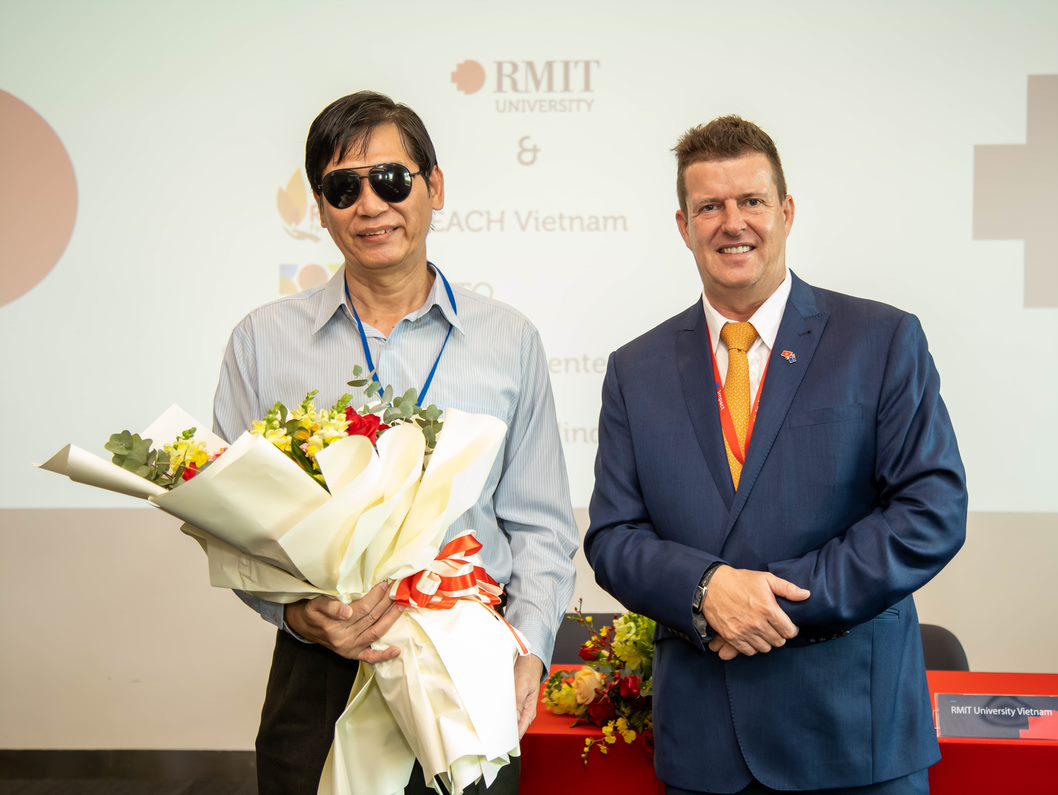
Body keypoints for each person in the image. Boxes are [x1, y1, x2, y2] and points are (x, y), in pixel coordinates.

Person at [585, 115, 967, 794]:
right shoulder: (634, 369)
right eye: (710, 206)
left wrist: (770, 599)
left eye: (752, 201)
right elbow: (614, 537)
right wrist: (706, 590)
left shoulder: (880, 340)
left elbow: (929, 512)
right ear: (683, 226)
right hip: (706, 747)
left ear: (785, 213)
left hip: (855, 739)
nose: (732, 223)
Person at [213, 90, 578, 794]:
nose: (370, 206)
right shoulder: (261, 342)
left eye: (390, 180)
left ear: (434, 186)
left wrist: (527, 649)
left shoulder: (509, 340)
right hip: (321, 669)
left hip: (469, 666)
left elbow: (541, 525)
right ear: (321, 209)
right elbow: (233, 523)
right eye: (343, 189)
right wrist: (298, 615)